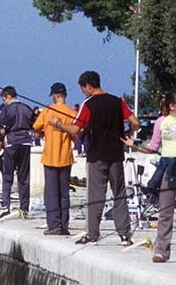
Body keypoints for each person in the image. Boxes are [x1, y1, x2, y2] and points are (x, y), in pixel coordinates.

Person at [124, 90, 176, 263]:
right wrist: (135, 146)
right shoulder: (161, 122)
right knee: (165, 211)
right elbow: (154, 147)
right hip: (167, 168)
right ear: (172, 106)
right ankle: (161, 251)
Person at [48, 70, 132, 246]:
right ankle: (125, 235)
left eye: (82, 89)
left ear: (88, 86)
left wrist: (59, 124)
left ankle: (92, 234)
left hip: (96, 156)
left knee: (95, 196)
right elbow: (136, 122)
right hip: (116, 154)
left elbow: (75, 129)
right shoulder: (117, 101)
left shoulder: (88, 104)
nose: (83, 92)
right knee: (119, 194)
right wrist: (128, 133)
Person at [32, 82, 76, 235]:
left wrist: (44, 133)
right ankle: (64, 225)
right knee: (64, 193)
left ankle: (54, 225)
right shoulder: (72, 112)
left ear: (54, 96)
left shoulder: (47, 111)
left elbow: (36, 130)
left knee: (51, 194)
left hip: (50, 156)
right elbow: (76, 133)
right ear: (65, 95)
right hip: (66, 156)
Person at [0, 86, 35, 219]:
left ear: (7, 97)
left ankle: (5, 206)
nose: (4, 102)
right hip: (25, 142)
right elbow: (34, 123)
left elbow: (2, 128)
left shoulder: (6, 110)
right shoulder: (27, 108)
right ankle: (24, 208)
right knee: (24, 177)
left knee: (8, 176)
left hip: (11, 143)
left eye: (4, 100)